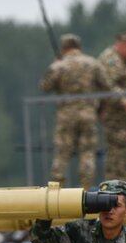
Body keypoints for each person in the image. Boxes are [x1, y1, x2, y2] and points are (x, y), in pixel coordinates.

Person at [40, 33, 110, 190]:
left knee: (62, 153)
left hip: (65, 115)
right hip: (87, 114)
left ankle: (56, 190)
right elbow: (107, 87)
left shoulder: (59, 66)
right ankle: (85, 188)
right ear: (79, 47)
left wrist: (55, 65)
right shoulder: (93, 64)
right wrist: (101, 108)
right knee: (87, 152)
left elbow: (45, 86)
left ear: (63, 48)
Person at [97, 33, 126, 184]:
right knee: (117, 156)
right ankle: (115, 188)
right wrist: (125, 99)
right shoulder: (111, 60)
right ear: (123, 45)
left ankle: (118, 186)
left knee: (120, 156)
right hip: (115, 117)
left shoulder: (120, 60)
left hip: (122, 118)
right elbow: (108, 86)